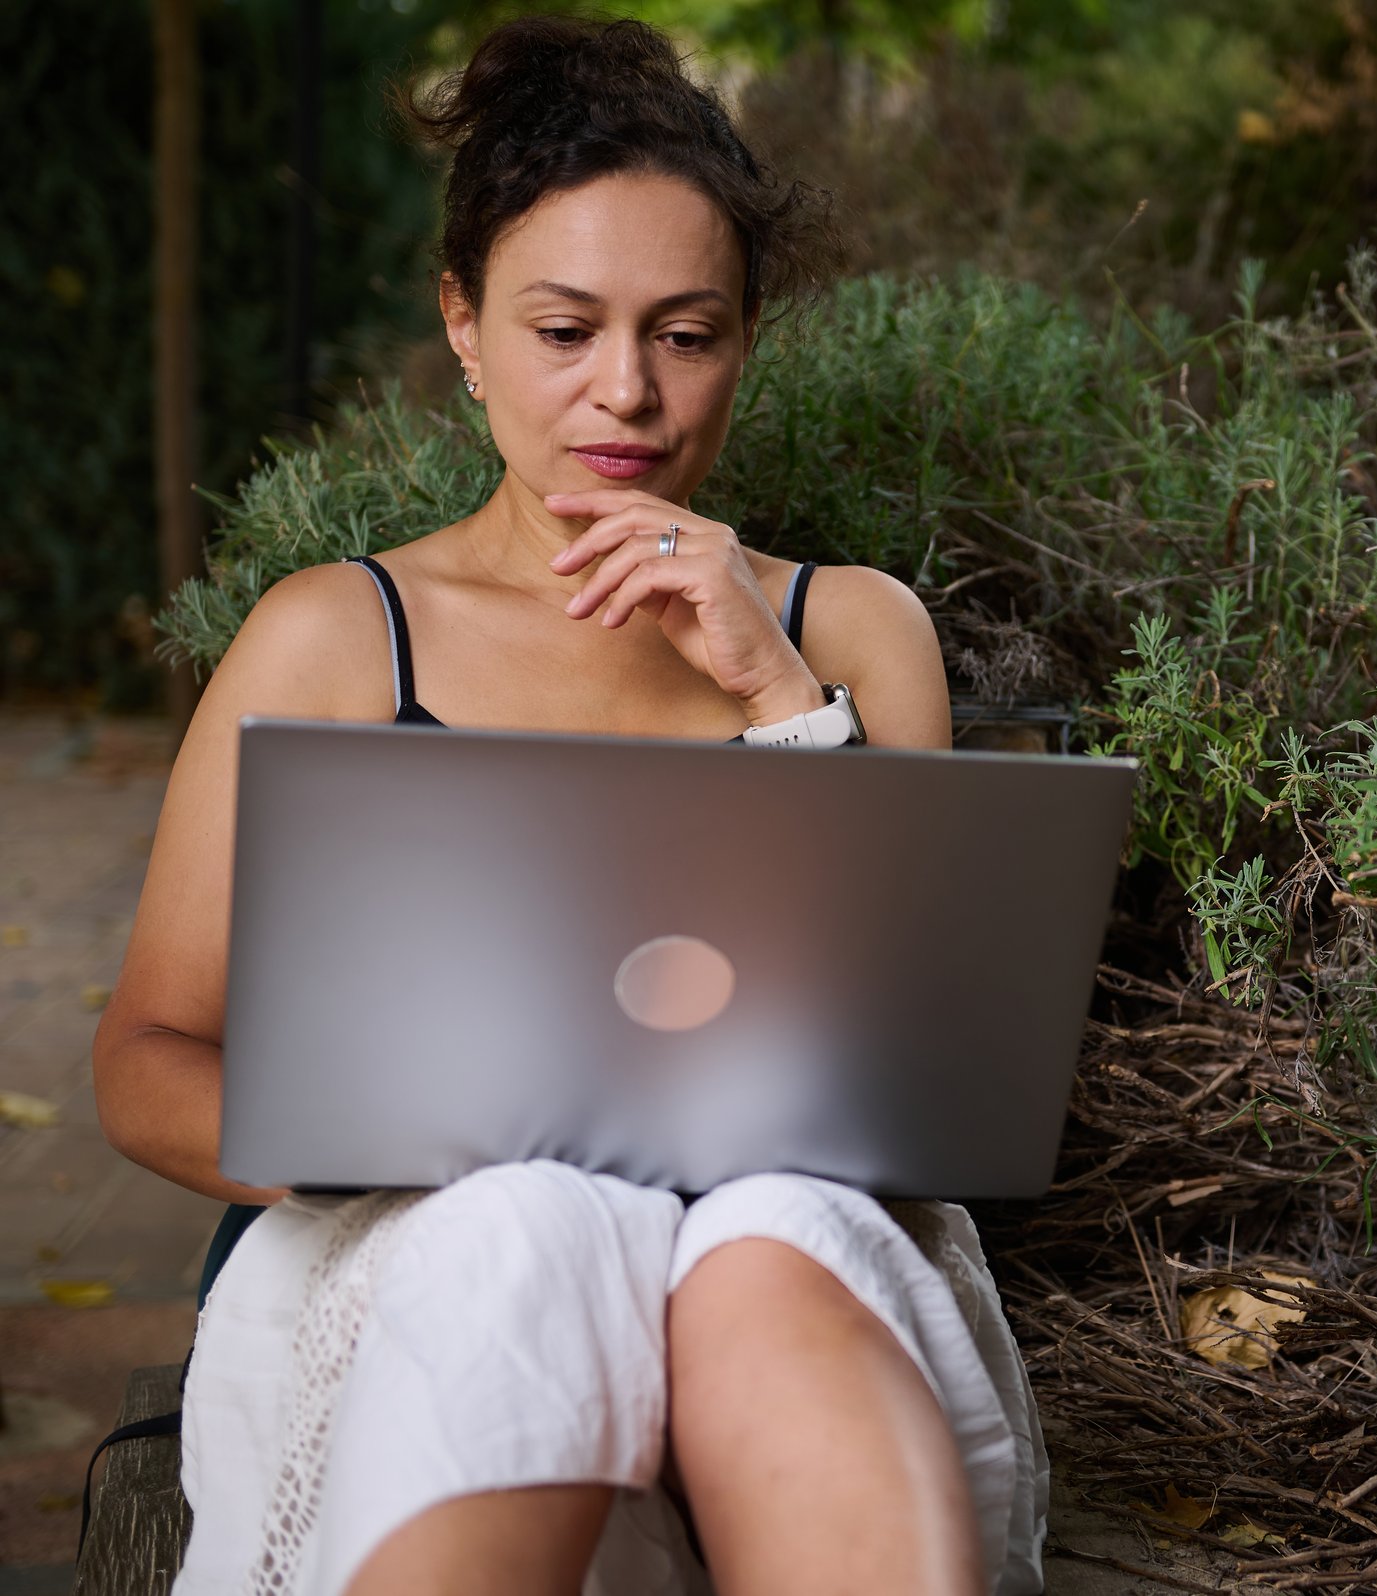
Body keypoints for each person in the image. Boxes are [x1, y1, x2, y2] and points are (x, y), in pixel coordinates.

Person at [90, 17, 1046, 1595]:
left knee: (770, 1243)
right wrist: (415, 1145)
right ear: (462, 324)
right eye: (563, 329)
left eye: (688, 334)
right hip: (431, 1240)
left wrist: (775, 690)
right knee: (535, 1231)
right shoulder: (335, 636)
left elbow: (910, 1083)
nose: (628, 394)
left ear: (747, 339)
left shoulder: (855, 630)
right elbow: (145, 1064)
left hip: (792, 1245)